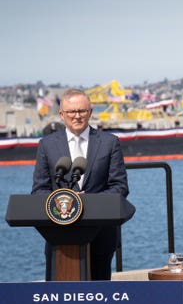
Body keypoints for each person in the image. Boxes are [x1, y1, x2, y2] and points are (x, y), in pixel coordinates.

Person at [32, 88, 129, 280]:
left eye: (82, 111)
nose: (77, 116)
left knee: (99, 300)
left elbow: (120, 187)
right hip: (59, 237)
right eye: (71, 112)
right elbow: (39, 190)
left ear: (90, 112)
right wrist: (63, 201)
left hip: (101, 237)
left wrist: (88, 202)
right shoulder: (47, 145)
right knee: (61, 302)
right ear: (62, 114)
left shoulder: (109, 143)